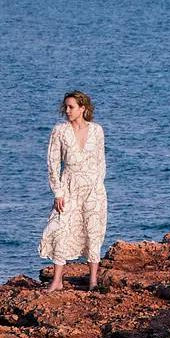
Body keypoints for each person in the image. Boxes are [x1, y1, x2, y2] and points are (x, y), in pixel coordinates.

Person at [39, 91, 107, 292]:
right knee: (61, 228)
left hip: (93, 189)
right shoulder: (60, 131)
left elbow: (100, 161)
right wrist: (58, 192)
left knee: (93, 231)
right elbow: (53, 163)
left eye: (71, 107)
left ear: (83, 108)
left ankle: (93, 281)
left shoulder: (97, 130)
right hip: (69, 186)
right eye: (66, 107)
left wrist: (98, 185)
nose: (67, 111)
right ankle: (57, 281)